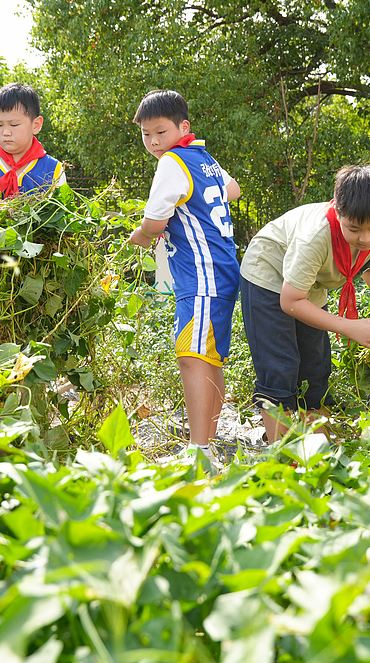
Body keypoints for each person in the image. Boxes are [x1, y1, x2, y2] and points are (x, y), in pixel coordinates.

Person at [240, 164, 370, 442]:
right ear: (338, 211)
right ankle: (280, 456)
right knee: (280, 366)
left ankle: (320, 450)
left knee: (316, 367)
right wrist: (348, 327)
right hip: (269, 275)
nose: (365, 238)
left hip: (307, 285)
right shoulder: (316, 235)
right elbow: (291, 300)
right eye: (354, 229)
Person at [127, 89, 240, 463]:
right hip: (221, 270)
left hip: (203, 273)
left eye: (160, 131)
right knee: (208, 358)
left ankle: (200, 450)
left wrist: (135, 241)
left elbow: (153, 223)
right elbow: (234, 190)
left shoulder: (172, 163)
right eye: (146, 134)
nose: (154, 142)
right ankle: (207, 443)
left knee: (192, 356)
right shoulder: (202, 156)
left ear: (183, 126)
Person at [0, 82, 65, 212]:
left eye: (14, 125)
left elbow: (61, 220)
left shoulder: (54, 170)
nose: (6, 132)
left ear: (36, 125)